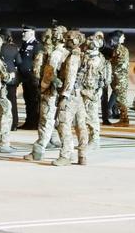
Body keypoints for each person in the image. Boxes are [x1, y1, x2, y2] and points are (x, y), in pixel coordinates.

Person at [24, 26, 70, 161]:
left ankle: (38, 152)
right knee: (62, 124)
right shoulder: (68, 52)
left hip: (51, 93)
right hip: (63, 94)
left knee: (46, 122)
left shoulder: (55, 53)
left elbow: (49, 74)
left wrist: (43, 88)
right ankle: (68, 152)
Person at [54, 29, 90, 166]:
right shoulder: (83, 54)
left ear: (74, 41)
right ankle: (82, 155)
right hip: (80, 95)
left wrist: (64, 96)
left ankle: (66, 155)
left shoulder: (73, 57)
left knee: (62, 124)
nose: (65, 41)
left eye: (68, 39)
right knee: (81, 126)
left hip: (71, 95)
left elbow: (70, 77)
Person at [81, 32, 111, 150]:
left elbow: (104, 79)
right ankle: (86, 138)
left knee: (92, 116)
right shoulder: (85, 56)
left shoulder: (100, 59)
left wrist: (97, 91)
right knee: (82, 116)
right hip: (83, 89)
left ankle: (95, 139)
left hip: (92, 91)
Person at [16, 27, 40, 129]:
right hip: (25, 78)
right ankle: (29, 121)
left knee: (34, 101)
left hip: (32, 78)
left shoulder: (36, 45)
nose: (22, 34)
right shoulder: (24, 44)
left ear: (31, 33)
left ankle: (34, 122)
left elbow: (37, 61)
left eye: (25, 32)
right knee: (28, 100)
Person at [109, 31, 131, 126]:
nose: (124, 38)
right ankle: (122, 118)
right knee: (119, 99)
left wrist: (112, 72)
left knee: (121, 100)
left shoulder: (121, 49)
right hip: (118, 78)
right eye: (122, 36)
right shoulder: (116, 48)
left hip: (120, 78)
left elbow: (121, 65)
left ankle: (124, 120)